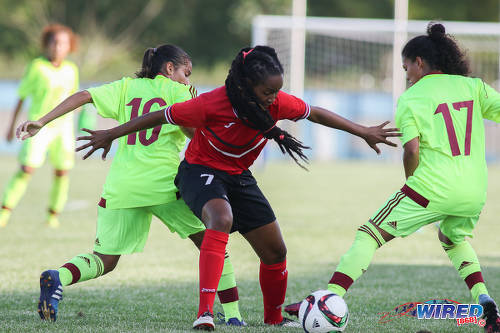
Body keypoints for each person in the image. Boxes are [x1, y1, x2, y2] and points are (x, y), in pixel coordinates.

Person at [71, 45, 400, 330]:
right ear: (246, 86)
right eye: (267, 92)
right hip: (198, 170)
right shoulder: (211, 103)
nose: (273, 99)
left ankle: (273, 318)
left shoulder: (276, 102)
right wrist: (110, 135)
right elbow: (160, 116)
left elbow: (316, 114)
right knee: (221, 217)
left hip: (239, 176)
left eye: (276, 92)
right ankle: (205, 313)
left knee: (275, 252)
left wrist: (363, 131)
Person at [283, 23, 500, 333]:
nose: (406, 74)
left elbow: (411, 150)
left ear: (420, 62)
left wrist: (412, 184)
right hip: (475, 191)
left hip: (431, 188)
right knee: (453, 238)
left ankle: (328, 298)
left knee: (368, 235)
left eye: (406, 67)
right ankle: (485, 301)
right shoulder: (474, 87)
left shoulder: (411, 99)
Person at [16, 44, 244, 326]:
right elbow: (195, 133)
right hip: (165, 186)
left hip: (122, 185)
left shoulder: (127, 87)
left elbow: (85, 95)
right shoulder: (181, 91)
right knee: (214, 241)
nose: (188, 79)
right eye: (187, 72)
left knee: (105, 259)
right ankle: (234, 317)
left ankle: (58, 276)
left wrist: (41, 121)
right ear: (170, 69)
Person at [1, 23, 79, 228]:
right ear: (47, 44)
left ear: (69, 46)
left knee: (62, 171)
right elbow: (21, 97)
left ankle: (53, 216)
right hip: (37, 126)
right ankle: (4, 212)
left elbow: (76, 100)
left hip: (64, 128)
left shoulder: (72, 70)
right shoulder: (36, 67)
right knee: (27, 168)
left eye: (63, 43)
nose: (58, 47)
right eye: (54, 42)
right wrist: (10, 127)